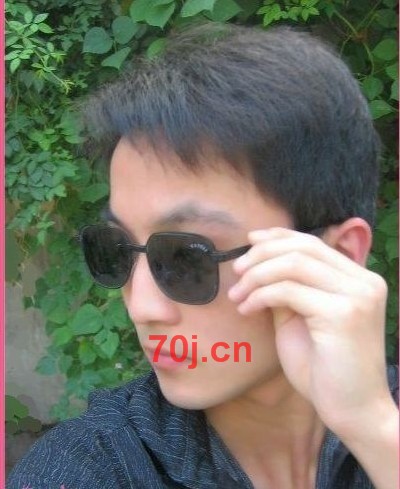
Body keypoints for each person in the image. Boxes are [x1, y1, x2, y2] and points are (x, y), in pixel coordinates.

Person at [7, 23, 398, 489]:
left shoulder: (385, 424)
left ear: (337, 256)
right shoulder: (91, 468)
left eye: (187, 257)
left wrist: (374, 430)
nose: (141, 307)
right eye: (115, 249)